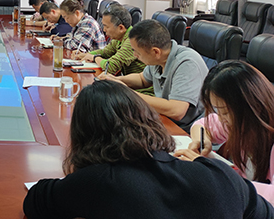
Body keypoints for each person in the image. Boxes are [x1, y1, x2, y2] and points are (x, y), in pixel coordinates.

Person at [23, 81, 274, 219]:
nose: (222, 119)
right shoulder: (221, 176)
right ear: (149, 119)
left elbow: (35, 200)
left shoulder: (96, 182)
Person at [177, 60, 274, 203]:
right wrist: (202, 141)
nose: (221, 119)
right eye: (218, 111)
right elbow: (202, 125)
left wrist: (218, 176)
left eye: (225, 112)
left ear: (251, 106)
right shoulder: (239, 124)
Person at [99, 19, 208, 132]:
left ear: (156, 52)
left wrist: (127, 92)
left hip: (188, 131)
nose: (135, 55)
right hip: (164, 119)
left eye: (137, 52)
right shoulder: (159, 59)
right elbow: (142, 79)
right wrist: (116, 79)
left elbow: (176, 111)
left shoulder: (187, 64)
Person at [77, 3, 146, 77]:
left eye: (106, 27)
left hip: (139, 84)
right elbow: (105, 52)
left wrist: (94, 58)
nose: (104, 30)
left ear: (121, 28)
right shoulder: (119, 38)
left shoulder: (132, 40)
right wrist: (86, 55)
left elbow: (110, 67)